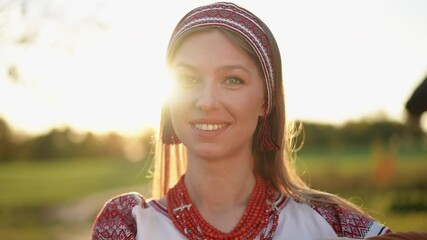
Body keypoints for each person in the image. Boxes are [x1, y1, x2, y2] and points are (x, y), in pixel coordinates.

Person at [92, 2, 392, 239]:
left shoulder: (330, 224)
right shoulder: (129, 227)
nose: (206, 101)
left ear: (266, 101)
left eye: (232, 80)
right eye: (188, 79)